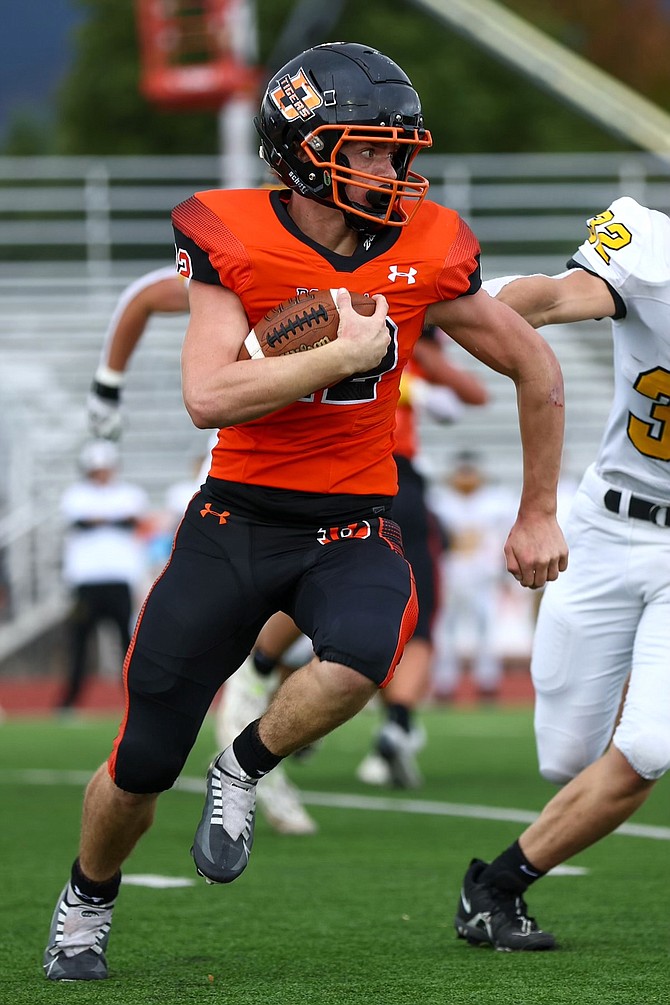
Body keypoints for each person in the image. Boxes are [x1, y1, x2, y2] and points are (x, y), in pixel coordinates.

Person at [44, 41, 567, 982]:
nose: (390, 169)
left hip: (354, 518)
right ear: (300, 151)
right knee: (141, 761)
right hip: (234, 520)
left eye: (396, 149)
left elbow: (533, 364)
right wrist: (335, 354)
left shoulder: (429, 247)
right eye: (366, 150)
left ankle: (242, 764)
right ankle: (87, 896)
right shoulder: (232, 237)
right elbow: (208, 394)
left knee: (368, 648)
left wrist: (537, 511)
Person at [454, 195, 670, 951]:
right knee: (567, 757)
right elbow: (549, 297)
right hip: (607, 526)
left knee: (648, 748)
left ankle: (497, 885)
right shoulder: (649, 245)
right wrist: (477, 311)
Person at [87, 264, 318, 835]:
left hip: (333, 484)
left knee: (349, 635)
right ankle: (237, 701)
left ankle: (257, 711)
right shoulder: (247, 262)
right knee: (173, 683)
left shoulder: (382, 262)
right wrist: (107, 384)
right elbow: (143, 296)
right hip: (245, 488)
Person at [56, 440, 150, 711]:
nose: (101, 474)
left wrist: (100, 520)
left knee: (127, 646)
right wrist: (115, 520)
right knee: (79, 643)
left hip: (120, 581)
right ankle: (70, 702)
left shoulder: (128, 493)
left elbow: (129, 520)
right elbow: (86, 520)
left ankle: (134, 703)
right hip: (86, 583)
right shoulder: (76, 494)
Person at [428, 450, 518, 703]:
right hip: (449, 575)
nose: (466, 477)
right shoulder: (439, 501)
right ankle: (444, 682)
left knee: (486, 628)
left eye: (470, 471)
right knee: (445, 629)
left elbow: (506, 536)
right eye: (462, 471)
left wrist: (502, 570)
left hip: (483, 576)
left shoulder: (496, 501)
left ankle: (487, 681)